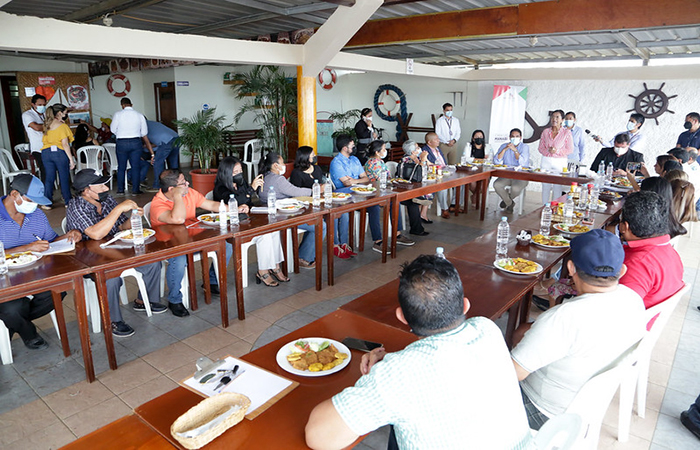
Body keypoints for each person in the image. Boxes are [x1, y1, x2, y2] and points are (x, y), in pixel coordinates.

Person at [305, 255, 532, 450]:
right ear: (465, 306)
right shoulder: (486, 329)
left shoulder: (399, 375)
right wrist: (392, 364)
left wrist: (385, 373)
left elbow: (318, 437)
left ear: (401, 317)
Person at [511, 229, 646, 430]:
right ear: (623, 270)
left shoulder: (563, 318)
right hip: (587, 406)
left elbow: (511, 374)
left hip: (545, 413)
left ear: (571, 268)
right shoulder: (633, 300)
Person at [66, 169, 167, 337]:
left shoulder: (106, 200)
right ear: (86, 190)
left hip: (116, 249)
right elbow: (95, 234)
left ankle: (143, 300)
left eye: (105, 184)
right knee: (111, 278)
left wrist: (133, 217)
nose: (106, 189)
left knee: (152, 261)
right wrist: (119, 208)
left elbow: (120, 226)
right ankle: (113, 320)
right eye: (101, 186)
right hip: (90, 258)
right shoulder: (76, 206)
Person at [0, 174, 82, 349]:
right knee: (12, 307)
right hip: (3, 278)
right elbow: (31, 246)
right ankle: (28, 333)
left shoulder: (36, 214)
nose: (35, 205)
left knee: (57, 291)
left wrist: (68, 236)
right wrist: (26, 248)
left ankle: (13, 324)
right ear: (14, 194)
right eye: (31, 200)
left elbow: (50, 241)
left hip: (35, 273)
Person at [149, 170, 233, 316]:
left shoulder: (189, 192)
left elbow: (210, 205)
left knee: (226, 245)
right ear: (171, 189)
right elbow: (178, 219)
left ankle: (212, 281)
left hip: (193, 240)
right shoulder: (158, 204)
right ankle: (174, 299)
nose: (188, 183)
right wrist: (177, 195)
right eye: (183, 183)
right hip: (170, 247)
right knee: (179, 260)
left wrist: (233, 209)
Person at [213, 157, 288, 287]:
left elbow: (247, 202)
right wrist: (250, 190)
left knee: (273, 230)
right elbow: (235, 202)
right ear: (227, 172)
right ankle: (263, 272)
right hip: (232, 227)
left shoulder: (241, 182)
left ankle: (275, 267)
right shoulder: (220, 188)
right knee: (265, 235)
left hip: (246, 222)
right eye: (235, 171)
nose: (239, 174)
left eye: (240, 170)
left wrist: (247, 204)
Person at [330, 135, 407, 254]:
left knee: (389, 202)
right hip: (345, 196)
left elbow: (366, 178)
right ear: (345, 148)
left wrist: (354, 181)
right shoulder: (336, 163)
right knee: (374, 206)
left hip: (361, 193)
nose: (355, 147)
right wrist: (356, 181)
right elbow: (346, 184)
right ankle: (377, 241)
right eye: (352, 146)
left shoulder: (355, 159)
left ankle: (392, 236)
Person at [258, 152, 327, 269]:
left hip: (273, 215)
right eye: (282, 163)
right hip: (284, 217)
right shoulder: (278, 179)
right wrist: (315, 190)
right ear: (275, 165)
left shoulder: (263, 176)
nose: (284, 165)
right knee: (320, 224)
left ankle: (302, 253)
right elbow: (295, 191)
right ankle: (303, 257)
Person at [618, 190, 685, 312]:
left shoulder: (637, 264)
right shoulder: (669, 251)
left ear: (624, 227)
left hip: (632, 324)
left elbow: (621, 310)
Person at [289, 147, 354, 258]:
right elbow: (296, 194)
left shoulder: (317, 168)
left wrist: (324, 187)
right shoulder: (296, 173)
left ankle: (343, 243)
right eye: (312, 155)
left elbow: (324, 183)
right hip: (308, 205)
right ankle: (334, 244)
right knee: (332, 215)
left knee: (344, 213)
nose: (314, 156)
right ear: (305, 157)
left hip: (323, 200)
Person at [364, 140, 426, 236]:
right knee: (407, 201)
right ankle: (399, 233)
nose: (385, 151)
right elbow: (379, 181)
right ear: (377, 152)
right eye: (384, 149)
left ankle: (411, 229)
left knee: (411, 201)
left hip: (388, 188)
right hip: (380, 192)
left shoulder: (379, 161)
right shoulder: (374, 163)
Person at [111, 98, 153, 196]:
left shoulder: (118, 114)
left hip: (121, 142)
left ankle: (120, 190)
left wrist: (121, 134)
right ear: (131, 104)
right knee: (135, 167)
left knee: (121, 167)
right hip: (136, 142)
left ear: (122, 105)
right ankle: (135, 190)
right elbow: (144, 132)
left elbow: (113, 130)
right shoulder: (139, 115)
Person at [40, 103, 75, 208]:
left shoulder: (46, 125)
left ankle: (47, 203)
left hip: (46, 153)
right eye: (64, 113)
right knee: (64, 177)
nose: (65, 115)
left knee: (49, 178)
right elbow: (65, 144)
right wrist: (71, 160)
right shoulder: (63, 126)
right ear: (59, 113)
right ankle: (67, 201)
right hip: (59, 153)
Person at [538, 110, 573, 204]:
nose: (554, 119)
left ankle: (555, 207)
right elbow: (540, 148)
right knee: (545, 185)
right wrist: (548, 152)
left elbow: (570, 149)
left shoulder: (566, 133)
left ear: (562, 120)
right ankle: (544, 206)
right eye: (553, 117)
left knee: (557, 186)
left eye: (557, 117)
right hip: (546, 160)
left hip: (560, 162)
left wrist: (557, 151)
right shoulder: (545, 132)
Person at [493, 128, 530, 213]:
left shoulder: (525, 147)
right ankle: (510, 203)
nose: (515, 138)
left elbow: (523, 163)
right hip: (507, 175)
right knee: (497, 185)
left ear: (520, 137)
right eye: (513, 136)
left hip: (521, 176)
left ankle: (506, 200)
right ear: (509, 137)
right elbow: (496, 161)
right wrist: (504, 149)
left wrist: (515, 151)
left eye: (517, 136)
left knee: (515, 189)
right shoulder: (504, 145)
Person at [399, 140, 433, 223]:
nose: (419, 149)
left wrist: (425, 159)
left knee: (431, 189)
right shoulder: (406, 160)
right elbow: (416, 173)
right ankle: (419, 213)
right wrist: (422, 160)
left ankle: (422, 213)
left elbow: (431, 166)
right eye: (417, 148)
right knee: (427, 192)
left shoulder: (417, 158)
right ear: (413, 151)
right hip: (409, 185)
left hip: (419, 183)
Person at [422, 132, 451, 219]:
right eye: (436, 139)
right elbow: (429, 166)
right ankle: (444, 209)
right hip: (434, 174)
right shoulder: (425, 151)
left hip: (444, 171)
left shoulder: (438, 149)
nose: (438, 141)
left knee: (460, 183)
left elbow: (443, 162)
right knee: (443, 186)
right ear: (429, 142)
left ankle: (455, 205)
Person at [147, 120, 180, 190]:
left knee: (157, 163)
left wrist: (151, 154)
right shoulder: (153, 123)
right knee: (173, 163)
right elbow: (157, 141)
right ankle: (177, 183)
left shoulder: (142, 126)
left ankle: (157, 186)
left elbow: (149, 143)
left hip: (166, 141)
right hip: (176, 137)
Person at [21, 94, 47, 182]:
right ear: (33, 104)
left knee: (50, 169)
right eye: (39, 105)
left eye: (44, 105)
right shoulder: (27, 115)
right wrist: (52, 125)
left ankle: (49, 187)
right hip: (38, 148)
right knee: (44, 170)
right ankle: (44, 190)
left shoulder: (45, 114)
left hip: (48, 146)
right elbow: (37, 127)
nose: (42, 107)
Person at [465, 129, 491, 207]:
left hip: (484, 169)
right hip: (472, 169)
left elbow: (490, 159)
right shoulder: (468, 146)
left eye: (481, 136)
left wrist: (482, 160)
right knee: (473, 184)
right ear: (473, 138)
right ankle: (476, 196)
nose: (479, 138)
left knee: (483, 185)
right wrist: (481, 159)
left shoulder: (488, 147)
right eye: (477, 136)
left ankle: (474, 197)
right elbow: (466, 158)